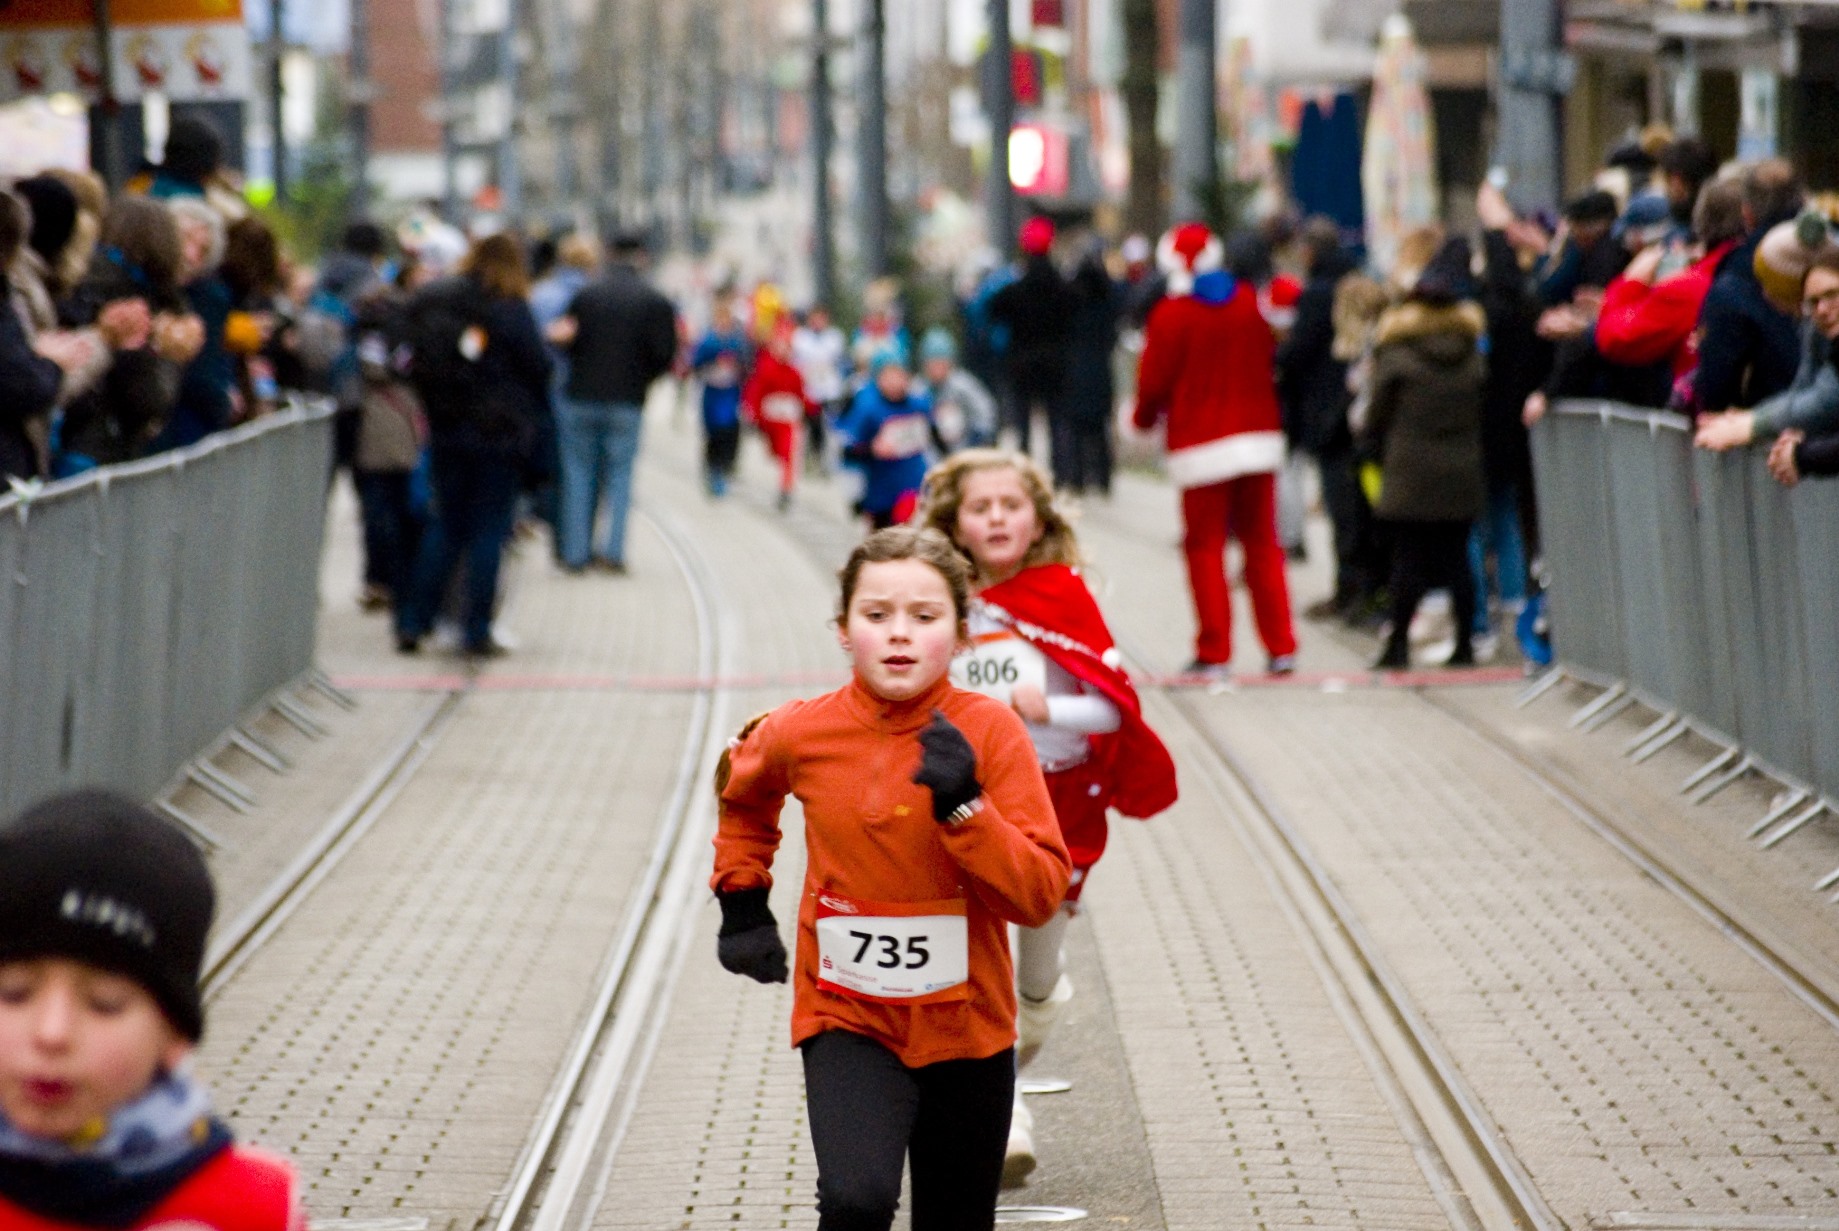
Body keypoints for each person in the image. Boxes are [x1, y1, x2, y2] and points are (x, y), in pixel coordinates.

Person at [710, 525, 1070, 1231]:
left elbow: (1037, 894)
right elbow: (743, 793)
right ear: (844, 630)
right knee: (855, 1200)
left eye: (924, 616)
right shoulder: (800, 731)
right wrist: (742, 901)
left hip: (968, 1025)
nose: (899, 633)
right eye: (877, 614)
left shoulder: (991, 734)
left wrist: (965, 807)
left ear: (960, 636)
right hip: (847, 1013)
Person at [918, 450, 1176, 1185]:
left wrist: (1047, 708)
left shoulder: (1063, 595)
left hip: (1056, 806)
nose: (997, 518)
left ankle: (1006, 1066)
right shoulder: (938, 602)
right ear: (955, 524)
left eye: (1011, 505)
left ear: (1037, 521)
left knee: (1035, 977)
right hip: (971, 804)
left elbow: (1112, 709)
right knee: (981, 965)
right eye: (980, 508)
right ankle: (1002, 1117)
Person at [0, 789, 302, 1227]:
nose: (52, 1032)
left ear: (174, 1034)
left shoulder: (249, 1208)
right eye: (14, 993)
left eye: (104, 1004)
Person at [1132, 222, 1298, 678]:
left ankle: (1215, 651)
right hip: (1257, 438)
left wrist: (1141, 420)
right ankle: (1281, 646)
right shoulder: (1248, 302)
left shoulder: (1170, 314)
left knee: (1205, 548)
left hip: (1200, 445)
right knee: (1263, 544)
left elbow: (1154, 381)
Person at [396, 233, 552, 657]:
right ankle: (476, 628)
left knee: (445, 525)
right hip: (499, 436)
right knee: (489, 530)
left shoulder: (446, 300)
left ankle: (414, 620)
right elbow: (538, 366)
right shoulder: (510, 307)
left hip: (449, 430)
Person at [1363, 238, 1487, 670]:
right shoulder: (1471, 355)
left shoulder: (1396, 355)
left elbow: (1376, 414)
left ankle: (1397, 645)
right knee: (1457, 561)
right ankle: (1465, 645)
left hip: (1410, 469)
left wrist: (1370, 449)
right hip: (1461, 467)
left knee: (1408, 561)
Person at [548, 231, 677, 573]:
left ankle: (575, 553)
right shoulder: (655, 300)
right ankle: (613, 552)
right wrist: (642, 378)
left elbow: (565, 340)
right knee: (620, 477)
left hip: (580, 397)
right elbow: (665, 354)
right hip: (627, 399)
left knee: (578, 475)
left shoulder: (585, 296)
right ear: (641, 258)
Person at [1276, 217, 1361, 618]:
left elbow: (1298, 353)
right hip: (1354, 410)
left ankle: (1348, 589)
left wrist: (1278, 353)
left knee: (1340, 506)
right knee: (1354, 506)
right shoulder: (1354, 282)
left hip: (1326, 415)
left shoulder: (1316, 294)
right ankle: (1357, 587)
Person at [1698, 244, 1839, 456]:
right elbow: (1804, 386)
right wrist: (1751, 419)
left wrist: (1753, 425)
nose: (1823, 309)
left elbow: (1826, 399)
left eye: (1832, 295)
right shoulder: (1816, 328)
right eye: (1813, 301)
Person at [1694, 158, 1807, 414]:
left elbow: (1716, 384)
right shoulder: (1828, 257)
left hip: (1765, 422)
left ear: (1746, 212)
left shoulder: (1736, 281)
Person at [988, 218, 1073, 462]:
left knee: (1022, 425)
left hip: (1022, 363)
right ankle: (1061, 471)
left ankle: (1024, 469)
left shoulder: (1014, 289)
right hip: (1056, 362)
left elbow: (992, 310)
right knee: (1057, 423)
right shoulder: (1063, 288)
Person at [837, 349, 933, 530]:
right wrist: (872, 449)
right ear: (877, 378)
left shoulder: (919, 404)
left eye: (900, 375)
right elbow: (848, 451)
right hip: (879, 488)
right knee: (880, 539)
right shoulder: (868, 407)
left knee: (904, 531)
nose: (895, 382)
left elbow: (935, 437)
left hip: (911, 482)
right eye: (889, 376)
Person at [1057, 248, 1122, 495]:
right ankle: (1103, 476)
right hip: (1100, 370)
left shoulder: (1070, 302)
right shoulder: (1108, 301)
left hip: (1075, 369)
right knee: (1099, 427)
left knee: (1075, 428)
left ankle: (1077, 477)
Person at [741, 317, 811, 511]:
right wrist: (752, 412)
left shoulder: (795, 372)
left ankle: (786, 489)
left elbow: (802, 394)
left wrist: (810, 409)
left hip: (788, 421)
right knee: (775, 453)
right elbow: (755, 391)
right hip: (769, 421)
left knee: (789, 454)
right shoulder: (765, 369)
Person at [690, 290, 752, 497]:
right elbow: (695, 363)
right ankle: (711, 468)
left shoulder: (737, 342)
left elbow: (747, 365)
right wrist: (712, 363)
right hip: (712, 392)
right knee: (712, 432)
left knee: (728, 431)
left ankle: (723, 468)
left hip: (730, 393)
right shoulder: (708, 341)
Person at [916, 327, 997, 453]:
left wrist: (978, 438)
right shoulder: (917, 388)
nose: (937, 368)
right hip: (930, 451)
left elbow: (985, 410)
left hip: (965, 446)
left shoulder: (963, 384)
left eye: (941, 363)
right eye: (932, 363)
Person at [791, 304, 849, 470]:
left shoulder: (835, 337)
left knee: (829, 424)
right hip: (809, 388)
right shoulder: (800, 337)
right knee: (812, 423)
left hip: (829, 387)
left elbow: (841, 362)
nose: (818, 322)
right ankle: (812, 456)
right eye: (815, 318)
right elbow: (795, 362)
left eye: (821, 318)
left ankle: (827, 458)